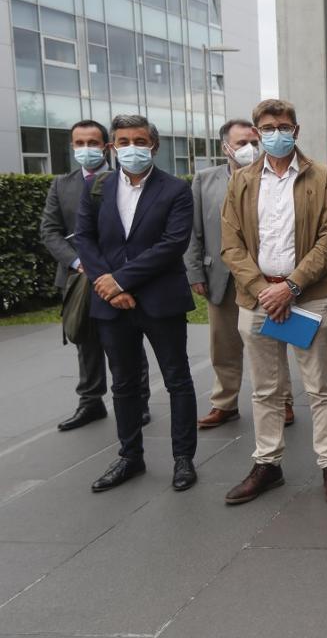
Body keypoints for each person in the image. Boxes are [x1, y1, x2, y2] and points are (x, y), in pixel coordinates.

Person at [219, 99, 327, 506]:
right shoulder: (242, 181)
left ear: (296, 129)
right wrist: (264, 290)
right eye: (268, 126)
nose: (276, 133)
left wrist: (290, 287)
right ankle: (268, 464)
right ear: (257, 132)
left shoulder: (323, 177)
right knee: (265, 389)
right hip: (257, 298)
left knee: (320, 387)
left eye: (283, 126)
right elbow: (231, 243)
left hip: (306, 298)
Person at [74, 114, 197, 492]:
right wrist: (108, 284)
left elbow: (172, 244)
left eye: (139, 141)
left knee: (177, 380)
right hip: (112, 304)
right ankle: (130, 457)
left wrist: (122, 279)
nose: (131, 148)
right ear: (112, 147)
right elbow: (85, 239)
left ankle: (183, 460)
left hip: (161, 300)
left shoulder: (176, 189)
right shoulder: (97, 187)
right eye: (123, 141)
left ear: (153, 146)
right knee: (123, 384)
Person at [41, 119, 151, 432]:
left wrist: (115, 272)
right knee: (84, 341)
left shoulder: (123, 180)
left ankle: (138, 401)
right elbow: (49, 231)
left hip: (119, 277)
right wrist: (78, 262)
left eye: (93, 142)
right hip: (78, 278)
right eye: (79, 143)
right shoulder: (62, 184)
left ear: (106, 146)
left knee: (127, 342)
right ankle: (90, 401)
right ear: (73, 146)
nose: (86, 148)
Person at [187, 119, 294, 430]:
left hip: (266, 278)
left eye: (253, 141)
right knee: (223, 344)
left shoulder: (274, 177)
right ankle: (225, 403)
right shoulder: (204, 180)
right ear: (225, 147)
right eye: (241, 143)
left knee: (275, 341)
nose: (250, 148)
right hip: (220, 276)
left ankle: (283, 401)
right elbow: (193, 231)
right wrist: (195, 270)